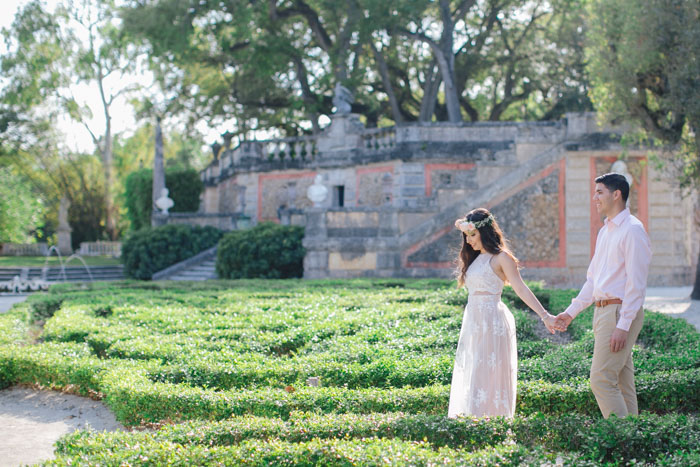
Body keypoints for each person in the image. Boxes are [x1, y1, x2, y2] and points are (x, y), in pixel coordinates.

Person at [554, 172, 652, 419]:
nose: (594, 198)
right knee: (621, 382)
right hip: (603, 312)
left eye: (599, 192)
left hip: (619, 312)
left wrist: (623, 324)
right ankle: (634, 441)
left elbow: (636, 284)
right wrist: (571, 312)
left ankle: (621, 440)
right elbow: (593, 280)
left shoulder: (633, 230)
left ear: (616, 194)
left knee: (600, 379)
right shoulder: (605, 232)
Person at [448, 208, 556, 418]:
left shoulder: (501, 258)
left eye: (472, 235)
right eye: (466, 236)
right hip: (474, 322)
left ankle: (493, 423)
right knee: (474, 374)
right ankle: (473, 422)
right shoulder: (475, 258)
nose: (469, 241)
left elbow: (521, 288)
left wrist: (545, 316)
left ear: (485, 232)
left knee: (490, 376)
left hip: (492, 322)